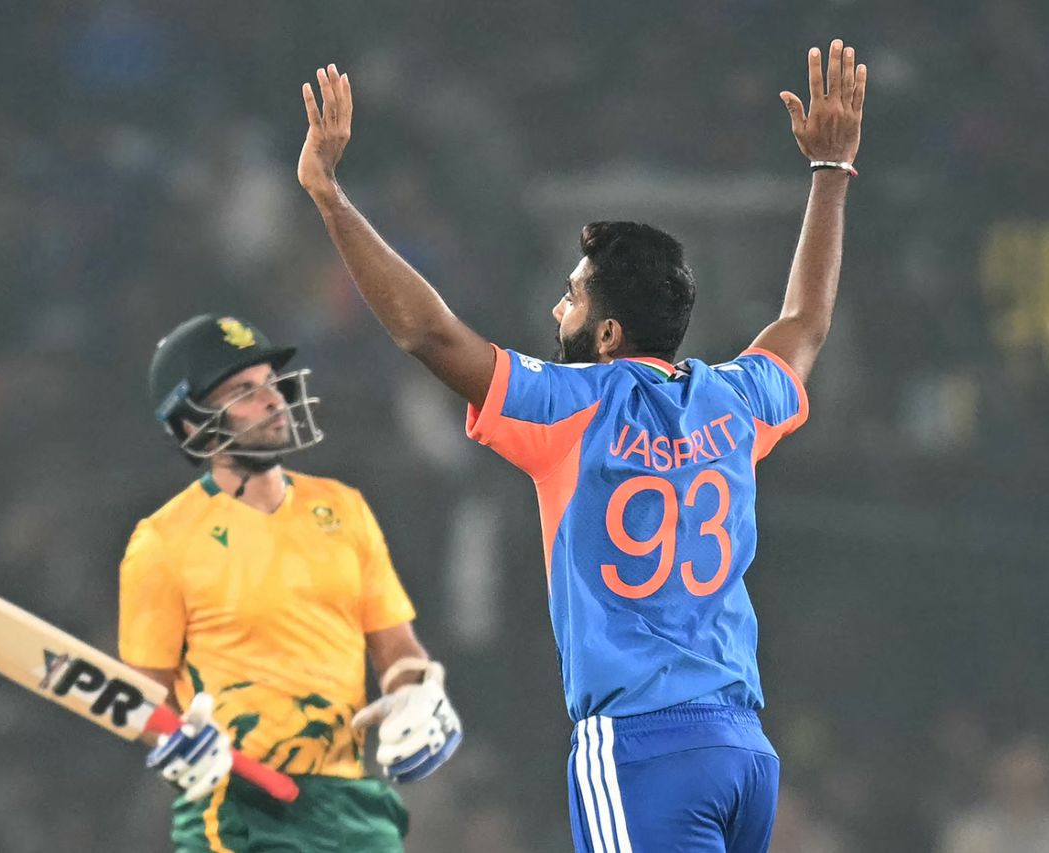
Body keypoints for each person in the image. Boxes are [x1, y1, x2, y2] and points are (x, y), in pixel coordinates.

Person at [295, 40, 866, 852]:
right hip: (743, 751)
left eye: (569, 297)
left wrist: (328, 195)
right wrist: (830, 174)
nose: (555, 309)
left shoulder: (571, 408)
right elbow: (806, 325)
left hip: (640, 745)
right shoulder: (735, 401)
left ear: (605, 331)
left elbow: (426, 331)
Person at [117, 314, 461, 852]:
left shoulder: (343, 508)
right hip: (237, 807)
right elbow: (141, 696)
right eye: (244, 392)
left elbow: (396, 646)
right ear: (191, 422)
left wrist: (414, 690)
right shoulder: (162, 540)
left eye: (271, 384)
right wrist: (179, 740)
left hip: (352, 804)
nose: (274, 400)